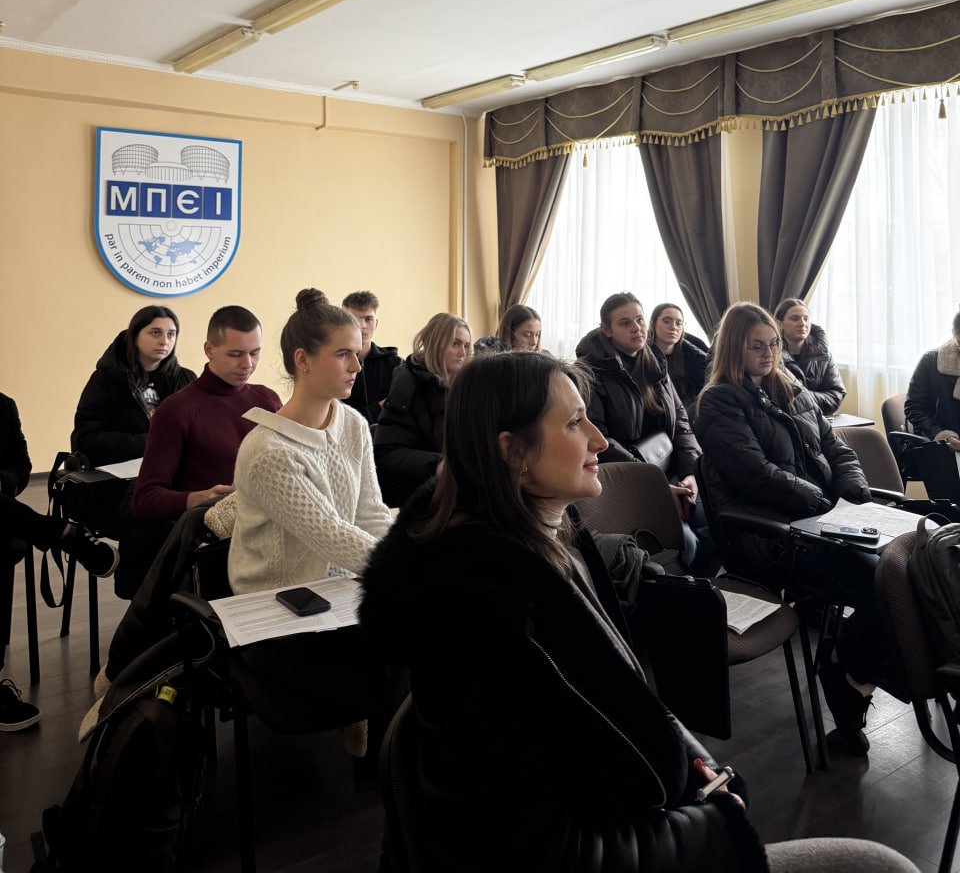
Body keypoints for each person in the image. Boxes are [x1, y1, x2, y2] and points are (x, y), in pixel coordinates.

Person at [361, 352, 918, 873]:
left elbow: (632, 704)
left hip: (639, 818)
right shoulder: (478, 619)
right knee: (880, 867)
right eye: (574, 422)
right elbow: (548, 849)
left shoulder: (552, 538)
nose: (600, 439)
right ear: (514, 453)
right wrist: (714, 822)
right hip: (610, 847)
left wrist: (701, 775)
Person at [695, 302, 884, 756]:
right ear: (734, 348)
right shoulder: (719, 400)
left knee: (907, 567)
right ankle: (849, 678)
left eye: (773, 345)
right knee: (880, 582)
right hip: (769, 536)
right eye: (756, 346)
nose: (768, 353)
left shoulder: (792, 387)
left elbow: (836, 449)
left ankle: (852, 670)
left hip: (820, 522)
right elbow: (756, 475)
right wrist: (824, 505)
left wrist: (853, 491)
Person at [229, 288, 393, 594]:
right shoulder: (268, 450)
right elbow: (331, 535)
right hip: (277, 600)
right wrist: (411, 567)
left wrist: (404, 557)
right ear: (303, 360)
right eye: (343, 354)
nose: (356, 366)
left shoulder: (353, 423)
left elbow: (371, 514)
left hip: (341, 588)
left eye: (356, 353)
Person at [122, 305, 280, 596]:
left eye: (255, 353)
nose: (247, 363)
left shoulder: (267, 400)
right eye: (235, 354)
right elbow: (144, 498)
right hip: (214, 546)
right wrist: (198, 499)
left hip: (267, 536)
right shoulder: (176, 410)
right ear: (209, 350)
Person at [2, 391, 117, 731]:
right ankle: (64, 534)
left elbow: (20, 467)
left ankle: (62, 534)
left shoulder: (3, 406)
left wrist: (2, 482)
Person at [576, 293, 711, 570]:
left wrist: (690, 472)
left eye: (639, 320)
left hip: (670, 470)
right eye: (625, 323)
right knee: (686, 543)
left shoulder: (654, 361)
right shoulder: (590, 371)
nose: (637, 328)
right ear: (607, 330)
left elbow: (681, 422)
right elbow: (600, 440)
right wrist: (654, 484)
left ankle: (706, 591)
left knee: (714, 525)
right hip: (627, 479)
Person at [72, 305, 196, 466]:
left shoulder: (185, 379)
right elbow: (85, 440)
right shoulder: (106, 378)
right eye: (155, 333)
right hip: (119, 474)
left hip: (174, 471)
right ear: (135, 335)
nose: (164, 341)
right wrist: (149, 443)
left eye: (171, 334)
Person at [373, 312, 470, 507]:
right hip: (418, 496)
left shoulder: (465, 388)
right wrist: (438, 464)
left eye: (466, 346)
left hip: (453, 490)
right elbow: (386, 453)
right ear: (436, 344)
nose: (462, 353)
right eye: (455, 344)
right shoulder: (407, 384)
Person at [773, 298, 845, 416]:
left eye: (806, 319)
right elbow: (776, 397)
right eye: (795, 319)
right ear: (779, 324)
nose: (802, 323)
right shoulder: (771, 355)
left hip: (819, 419)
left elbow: (836, 395)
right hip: (784, 419)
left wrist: (802, 398)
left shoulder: (824, 355)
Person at [341, 290, 401, 427]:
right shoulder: (334, 364)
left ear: (376, 323)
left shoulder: (395, 365)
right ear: (343, 323)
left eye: (368, 319)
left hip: (385, 438)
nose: (362, 326)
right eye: (355, 319)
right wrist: (378, 408)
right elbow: (336, 418)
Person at [904, 306, 960, 451]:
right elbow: (914, 407)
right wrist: (943, 436)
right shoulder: (930, 361)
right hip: (940, 445)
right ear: (955, 334)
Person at [649, 302, 709, 417]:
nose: (673, 327)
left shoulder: (692, 356)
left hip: (689, 415)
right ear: (653, 324)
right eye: (667, 321)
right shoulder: (642, 356)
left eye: (679, 323)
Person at [473, 304, 542, 355]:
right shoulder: (488, 364)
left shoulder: (543, 362)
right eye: (527, 335)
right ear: (509, 333)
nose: (534, 342)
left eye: (537, 335)